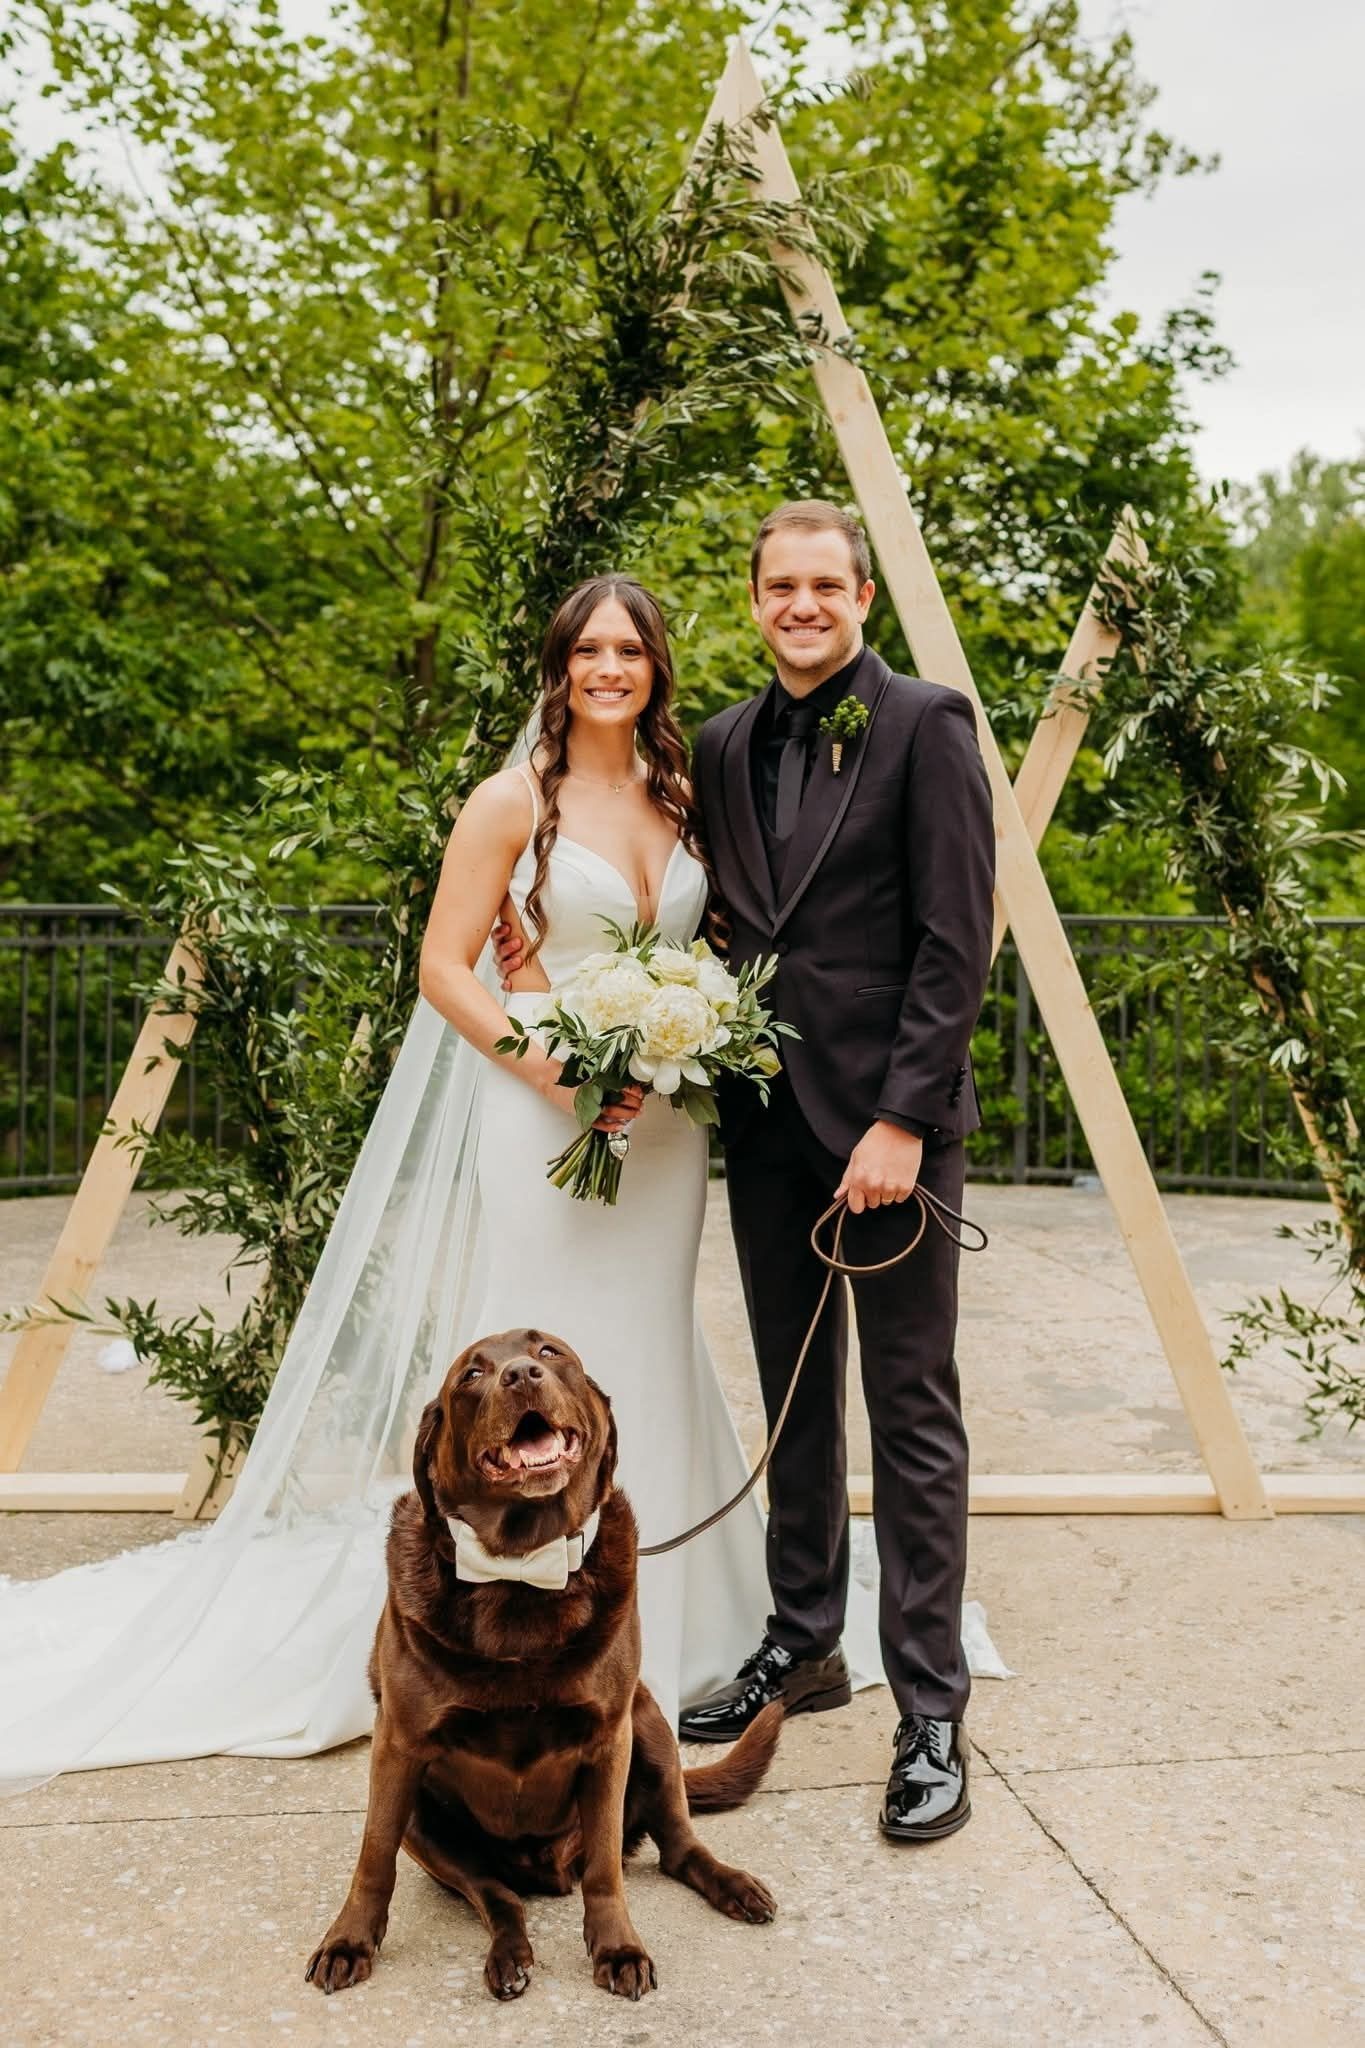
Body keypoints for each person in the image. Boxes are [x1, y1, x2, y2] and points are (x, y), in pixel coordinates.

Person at [672, 501, 996, 1844]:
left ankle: (927, 1706)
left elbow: (954, 932)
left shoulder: (925, 723)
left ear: (860, 594)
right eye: (778, 586)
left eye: (823, 584)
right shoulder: (721, 741)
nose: (800, 605)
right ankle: (800, 1641)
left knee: (908, 1408)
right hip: (763, 1125)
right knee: (792, 1399)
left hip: (888, 1128)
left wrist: (903, 1119)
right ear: (753, 602)